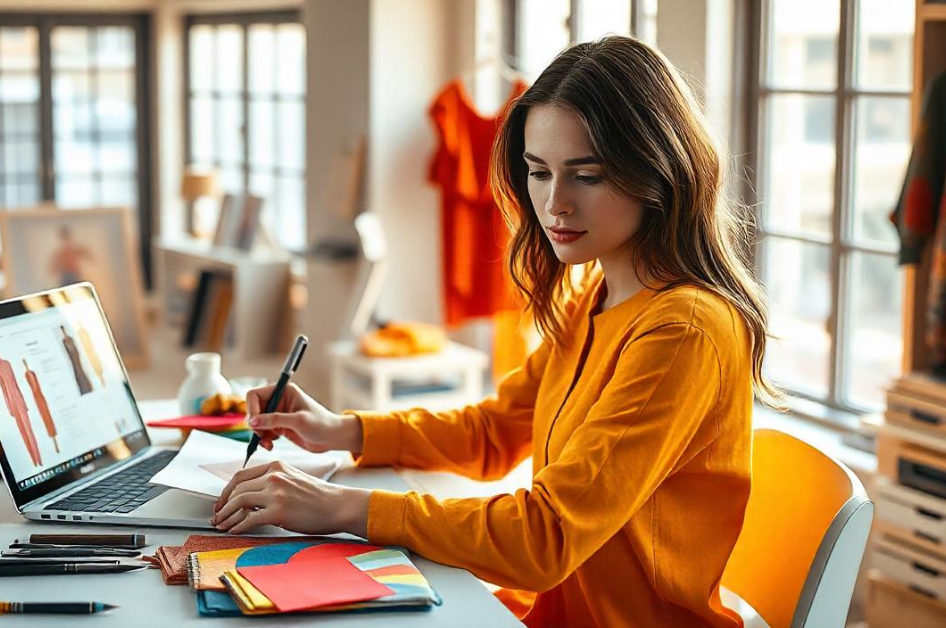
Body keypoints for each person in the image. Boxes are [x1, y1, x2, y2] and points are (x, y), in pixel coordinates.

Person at [212, 36, 777, 627]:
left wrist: (345, 507)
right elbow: (494, 431)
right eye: (538, 172)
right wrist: (342, 429)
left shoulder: (684, 331)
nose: (554, 203)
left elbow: (544, 539)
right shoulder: (597, 295)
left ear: (658, 170)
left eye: (586, 176)